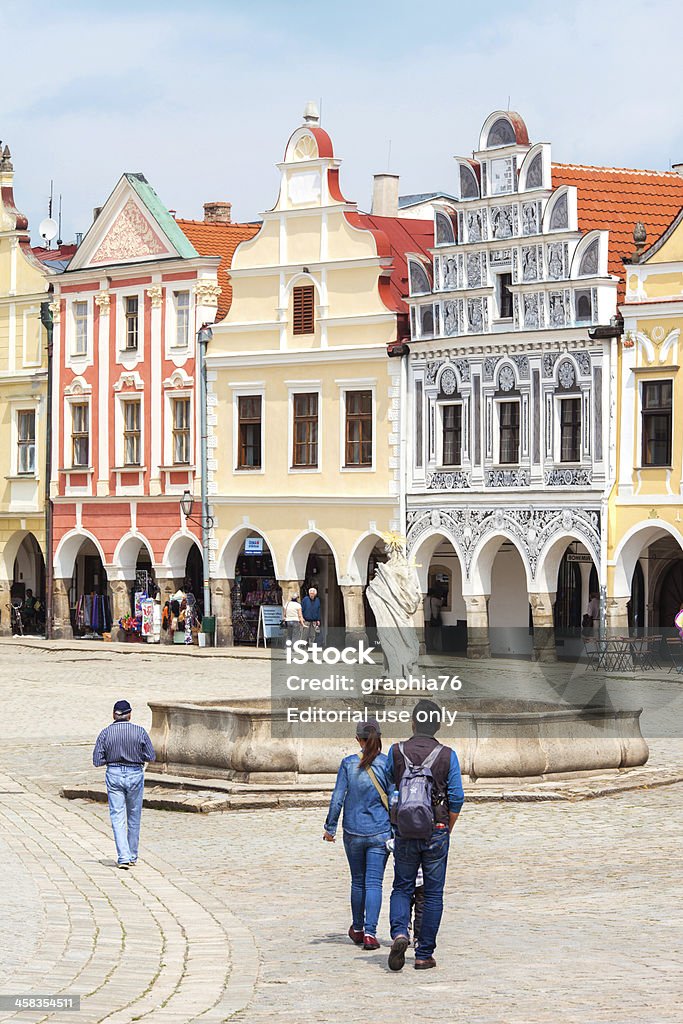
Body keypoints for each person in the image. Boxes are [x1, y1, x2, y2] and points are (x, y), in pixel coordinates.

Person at [386, 699, 464, 972]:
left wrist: (396, 821)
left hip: (405, 831)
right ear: (438, 725)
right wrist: (446, 827)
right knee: (432, 893)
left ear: (413, 722)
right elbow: (457, 797)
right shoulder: (447, 755)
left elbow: (388, 790)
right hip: (437, 830)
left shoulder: (396, 752)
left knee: (402, 885)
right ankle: (424, 954)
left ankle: (399, 933)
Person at [323, 720, 394, 950]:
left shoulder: (348, 764)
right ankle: (371, 934)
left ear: (358, 740)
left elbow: (337, 798)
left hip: (353, 832)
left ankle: (358, 927)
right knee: (374, 882)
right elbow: (394, 799)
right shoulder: (387, 764)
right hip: (380, 831)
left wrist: (330, 828)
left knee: (358, 881)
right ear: (379, 738)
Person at [92, 700, 156, 869]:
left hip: (113, 774)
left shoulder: (105, 733)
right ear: (130, 714)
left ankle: (123, 857)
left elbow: (97, 761)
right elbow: (151, 756)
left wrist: (111, 759)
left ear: (114, 714)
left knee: (117, 816)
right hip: (135, 773)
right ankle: (133, 855)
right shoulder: (139, 732)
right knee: (134, 816)